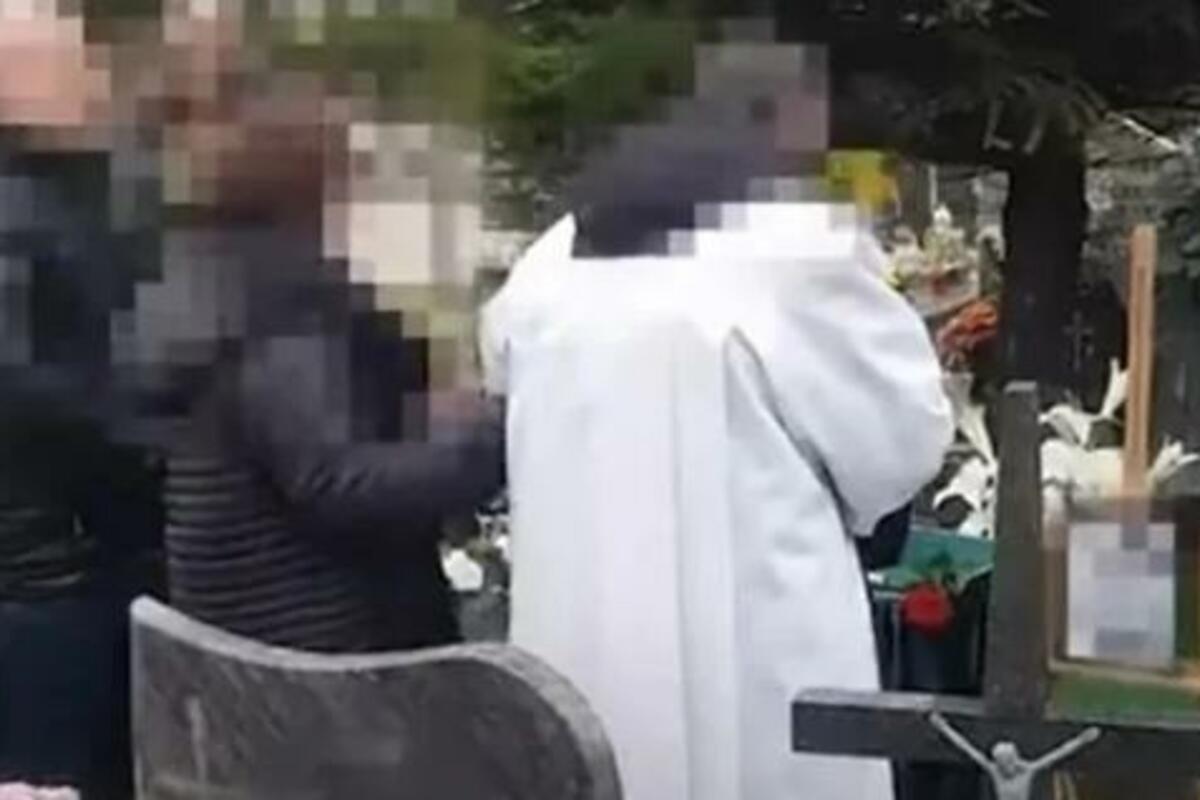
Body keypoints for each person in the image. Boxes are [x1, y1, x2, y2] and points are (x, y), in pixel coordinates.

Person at [480, 35, 952, 800]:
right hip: (757, 621)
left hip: (581, 622)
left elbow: (499, 375)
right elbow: (898, 440)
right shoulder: (795, 248)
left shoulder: (552, 256)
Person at [141, 2, 503, 652]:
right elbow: (334, 481)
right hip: (329, 660)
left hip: (245, 644)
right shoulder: (283, 302)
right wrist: (488, 436)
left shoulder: (211, 272)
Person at [0, 5, 164, 798]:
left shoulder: (86, 191)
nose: (95, 77)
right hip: (45, 573)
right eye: (69, 60)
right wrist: (154, 422)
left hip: (95, 555)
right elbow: (26, 385)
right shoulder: (19, 213)